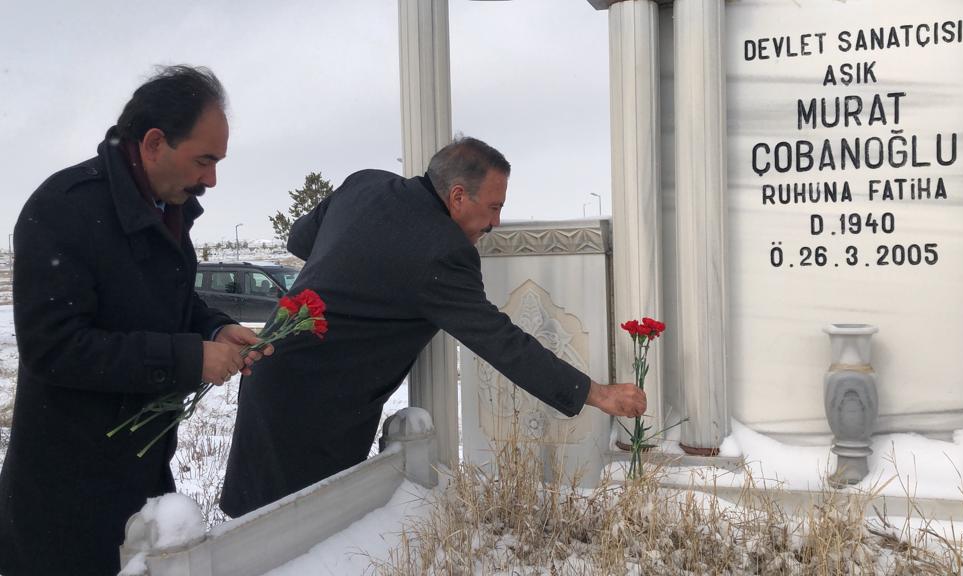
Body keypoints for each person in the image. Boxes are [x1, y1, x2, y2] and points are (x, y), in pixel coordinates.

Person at [221, 137, 647, 517]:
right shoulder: (441, 254)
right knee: (296, 534)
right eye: (494, 207)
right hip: (316, 411)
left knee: (254, 531)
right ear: (458, 196)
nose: (497, 222)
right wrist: (597, 393)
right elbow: (501, 342)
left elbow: (300, 239)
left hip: (269, 369)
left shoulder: (364, 184)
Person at [0, 65, 271, 576]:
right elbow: (54, 348)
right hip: (65, 487)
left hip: (142, 469)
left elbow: (166, 305)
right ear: (152, 143)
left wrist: (213, 327)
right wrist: (189, 358)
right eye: (204, 160)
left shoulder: (168, 209)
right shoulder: (62, 211)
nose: (211, 179)